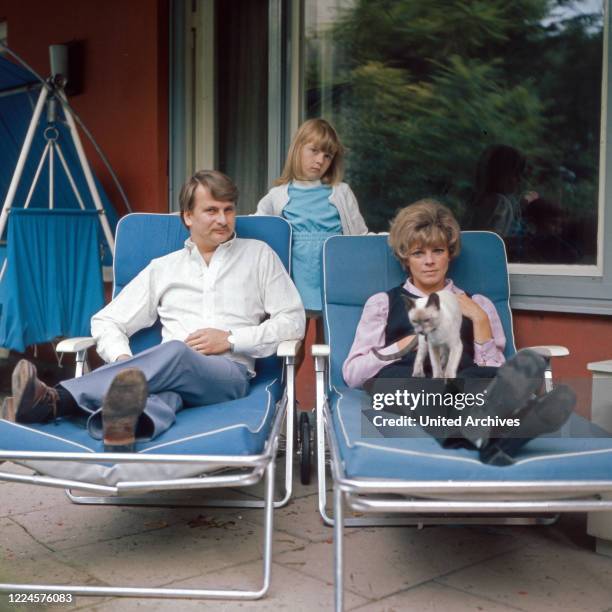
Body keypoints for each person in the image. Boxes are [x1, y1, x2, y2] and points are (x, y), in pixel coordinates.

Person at [2, 170, 306, 451]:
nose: (223, 219)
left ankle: (57, 401)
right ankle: (119, 430)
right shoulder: (164, 268)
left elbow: (293, 321)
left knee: (175, 352)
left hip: (228, 375)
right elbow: (107, 320)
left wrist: (232, 340)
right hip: (167, 376)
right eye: (211, 210)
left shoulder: (258, 256)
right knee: (152, 396)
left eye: (229, 209)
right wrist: (124, 363)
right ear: (188, 216)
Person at [343, 199, 575, 465]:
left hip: (462, 384)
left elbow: (494, 370)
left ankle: (485, 437)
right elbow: (353, 374)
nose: (429, 261)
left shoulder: (479, 304)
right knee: (418, 388)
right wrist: (406, 344)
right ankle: (507, 430)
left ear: (449, 253)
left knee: (481, 381)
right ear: (405, 257)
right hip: (405, 381)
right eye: (419, 253)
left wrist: (479, 319)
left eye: (438, 250)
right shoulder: (383, 303)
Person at [255, 118, 368, 352]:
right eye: (314, 151)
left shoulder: (341, 192)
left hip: (333, 278)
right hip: (295, 280)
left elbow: (360, 235)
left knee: (331, 345)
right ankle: (288, 389)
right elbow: (256, 227)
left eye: (327, 155)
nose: (320, 160)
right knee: (292, 344)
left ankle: (328, 388)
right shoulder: (278, 195)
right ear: (298, 149)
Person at [470, 144, 539, 238]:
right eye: (515, 174)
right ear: (500, 174)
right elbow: (495, 239)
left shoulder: (479, 200)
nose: (519, 180)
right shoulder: (500, 203)